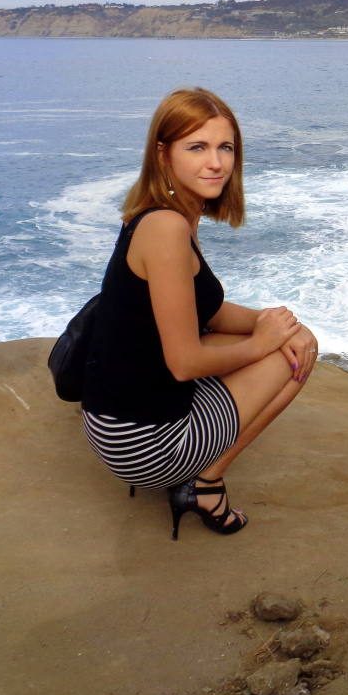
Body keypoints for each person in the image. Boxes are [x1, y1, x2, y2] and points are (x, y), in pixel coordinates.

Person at [81, 87, 318, 540]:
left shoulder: (163, 213)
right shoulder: (167, 228)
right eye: (197, 147)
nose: (216, 163)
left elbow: (205, 308)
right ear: (163, 153)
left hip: (112, 417)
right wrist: (264, 342)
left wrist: (275, 323)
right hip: (141, 441)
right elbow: (184, 363)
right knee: (292, 358)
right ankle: (205, 483)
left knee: (287, 339)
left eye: (225, 147)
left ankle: (196, 474)